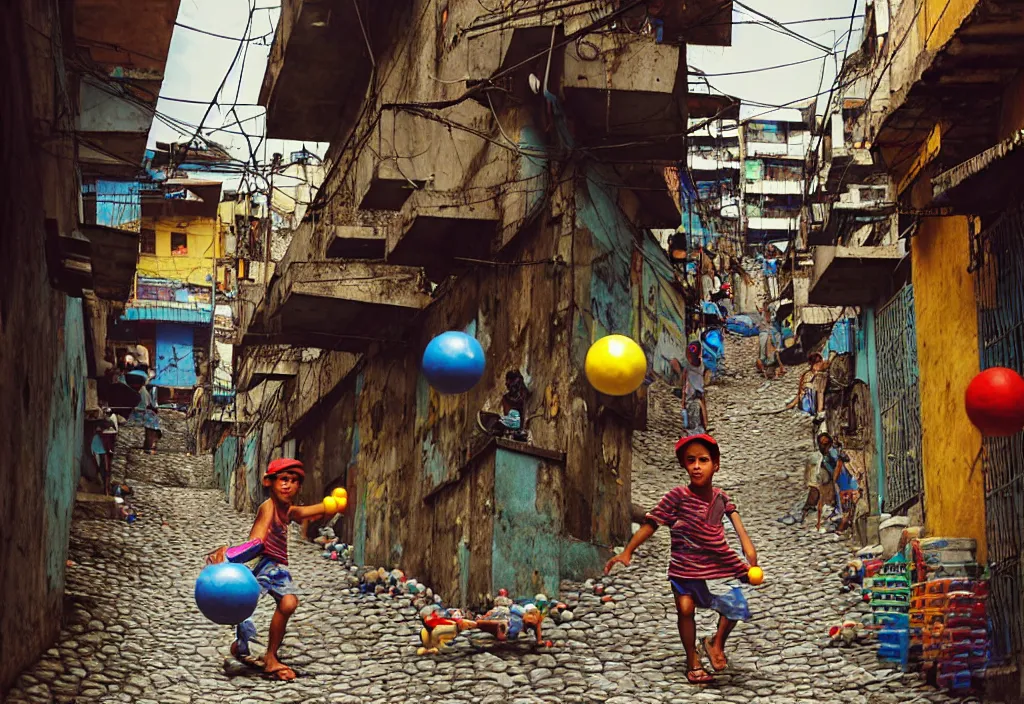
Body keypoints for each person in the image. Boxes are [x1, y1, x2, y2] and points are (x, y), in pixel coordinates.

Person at [605, 435, 758, 685]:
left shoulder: (721, 499)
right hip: (684, 570)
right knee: (685, 610)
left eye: (703, 460)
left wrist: (750, 558)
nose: (697, 466)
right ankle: (692, 661)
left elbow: (740, 531)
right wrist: (628, 551)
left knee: (736, 606)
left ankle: (715, 643)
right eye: (691, 461)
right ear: (684, 465)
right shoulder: (676, 497)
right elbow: (652, 523)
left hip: (717, 568)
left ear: (716, 464)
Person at [206, 458, 333, 680]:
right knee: (247, 605)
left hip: (277, 567)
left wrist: (327, 506)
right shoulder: (268, 508)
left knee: (288, 602)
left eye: (294, 481)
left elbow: (301, 513)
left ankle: (258, 650)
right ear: (269, 482)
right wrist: (229, 556)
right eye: (283, 479)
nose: (288, 485)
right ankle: (256, 652)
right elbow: (256, 542)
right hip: (264, 564)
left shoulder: (286, 508)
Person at [818, 432, 859, 534]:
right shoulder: (827, 457)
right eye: (822, 444)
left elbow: (840, 465)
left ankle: (843, 525)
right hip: (841, 482)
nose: (825, 446)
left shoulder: (833, 452)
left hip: (845, 480)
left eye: (826, 443)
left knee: (847, 502)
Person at [126, 369, 160, 454]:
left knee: (150, 430)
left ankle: (148, 447)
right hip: (138, 415)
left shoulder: (142, 391)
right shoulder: (139, 391)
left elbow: (146, 405)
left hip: (141, 414)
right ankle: (147, 447)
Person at [786, 352, 829, 417]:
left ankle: (819, 410)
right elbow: (801, 392)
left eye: (820, 362)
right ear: (812, 364)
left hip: (817, 403)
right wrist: (792, 404)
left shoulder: (823, 373)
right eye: (816, 363)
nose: (819, 364)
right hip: (807, 405)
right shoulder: (807, 375)